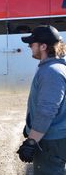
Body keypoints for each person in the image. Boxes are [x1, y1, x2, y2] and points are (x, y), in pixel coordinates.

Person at [17, 25, 66, 174]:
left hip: (51, 140)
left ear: (43, 46)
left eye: (32, 43)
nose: (29, 46)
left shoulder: (51, 72)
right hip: (56, 137)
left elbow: (47, 111)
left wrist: (31, 141)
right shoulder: (57, 68)